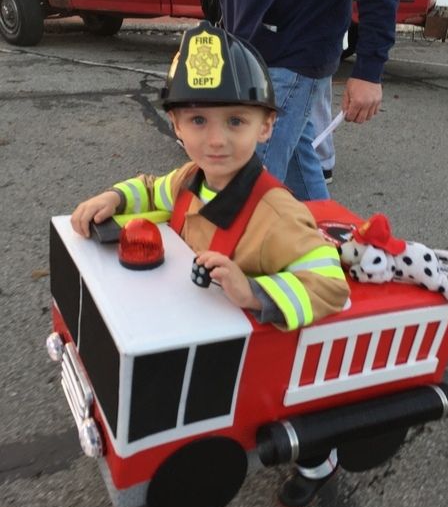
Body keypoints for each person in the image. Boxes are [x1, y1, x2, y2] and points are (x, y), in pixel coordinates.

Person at [71, 19, 349, 351]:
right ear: (176, 125)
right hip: (180, 329)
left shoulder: (277, 215)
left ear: (265, 126)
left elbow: (330, 283)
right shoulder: (189, 178)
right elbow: (150, 189)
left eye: (235, 121)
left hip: (234, 364)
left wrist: (253, 292)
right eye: (198, 121)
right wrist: (114, 197)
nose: (216, 140)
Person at [220, 0, 402, 201]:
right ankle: (327, 242)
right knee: (301, 179)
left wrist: (370, 67)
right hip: (244, 44)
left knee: (240, 194)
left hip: (294, 49)